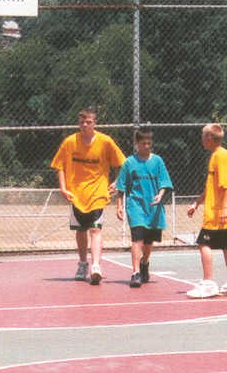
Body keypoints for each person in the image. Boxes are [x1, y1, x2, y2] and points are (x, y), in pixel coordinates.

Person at [50, 107, 125, 286]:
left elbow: (122, 164)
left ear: (95, 123)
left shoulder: (105, 141)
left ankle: (96, 266)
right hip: (76, 194)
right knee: (81, 231)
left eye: (88, 122)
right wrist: (63, 188)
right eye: (82, 122)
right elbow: (59, 166)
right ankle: (83, 263)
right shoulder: (70, 142)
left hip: (98, 193)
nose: (85, 125)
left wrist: (117, 181)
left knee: (95, 230)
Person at [185, 123, 227, 298]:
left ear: (210, 138)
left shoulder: (221, 156)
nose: (202, 139)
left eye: (203, 136)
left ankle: (208, 282)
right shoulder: (215, 156)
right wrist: (196, 203)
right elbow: (211, 187)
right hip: (218, 210)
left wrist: (224, 209)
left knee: (204, 243)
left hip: (219, 212)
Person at [115, 128, 174, 288]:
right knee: (137, 238)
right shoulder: (129, 163)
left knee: (148, 242)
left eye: (149, 143)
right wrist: (119, 205)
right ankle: (135, 273)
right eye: (143, 143)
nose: (147, 146)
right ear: (137, 143)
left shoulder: (158, 161)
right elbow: (121, 187)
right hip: (136, 206)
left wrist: (160, 195)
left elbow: (165, 182)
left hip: (153, 207)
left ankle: (144, 262)